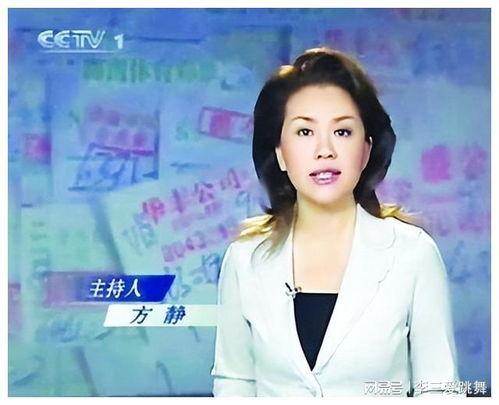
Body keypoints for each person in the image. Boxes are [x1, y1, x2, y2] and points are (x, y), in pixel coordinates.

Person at [210, 47, 462, 397]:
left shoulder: (412, 254)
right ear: (280, 153)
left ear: (366, 150)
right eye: (304, 132)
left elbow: (439, 389)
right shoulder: (245, 259)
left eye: (342, 132)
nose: (324, 150)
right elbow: (235, 382)